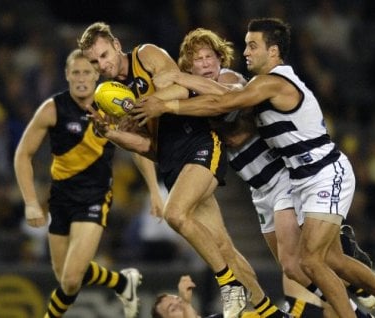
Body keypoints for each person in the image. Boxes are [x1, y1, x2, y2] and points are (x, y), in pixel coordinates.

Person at [134, 17, 375, 318]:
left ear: (221, 58)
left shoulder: (236, 80)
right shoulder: (226, 90)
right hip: (265, 187)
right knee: (295, 267)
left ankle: (362, 299)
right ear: (188, 65)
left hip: (295, 178)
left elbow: (223, 102)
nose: (205, 63)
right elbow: (162, 144)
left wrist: (170, 96)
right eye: (196, 61)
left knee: (309, 261)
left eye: (209, 57)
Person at [78, 22, 289, 318]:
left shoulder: (145, 55)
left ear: (115, 44)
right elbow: (147, 147)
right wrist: (111, 134)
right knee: (222, 246)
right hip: (171, 161)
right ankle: (270, 313)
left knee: (174, 213)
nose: (102, 65)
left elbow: (180, 84)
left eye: (103, 55)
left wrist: (149, 104)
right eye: (94, 62)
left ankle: (228, 284)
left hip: (198, 142)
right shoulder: (114, 96)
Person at [13, 49, 163, 318]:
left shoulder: (112, 106)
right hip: (59, 199)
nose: (82, 78)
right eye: (76, 72)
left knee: (71, 279)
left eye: (87, 72)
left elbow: (140, 149)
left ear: (96, 75)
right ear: (67, 75)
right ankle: (121, 282)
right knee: (67, 280)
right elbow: (23, 154)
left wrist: (154, 191)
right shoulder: (52, 109)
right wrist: (31, 202)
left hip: (95, 198)